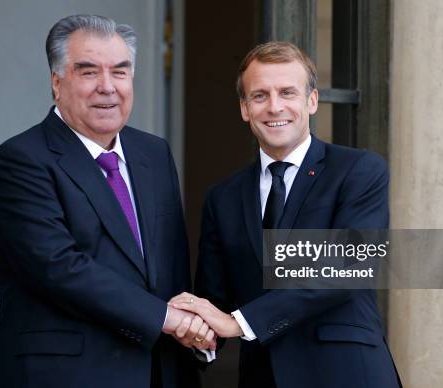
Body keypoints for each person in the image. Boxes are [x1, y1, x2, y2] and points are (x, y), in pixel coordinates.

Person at [0, 15, 212, 388]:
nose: (108, 87)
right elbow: (58, 267)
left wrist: (197, 329)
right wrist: (168, 319)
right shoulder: (21, 159)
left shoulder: (153, 153)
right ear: (57, 83)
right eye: (88, 72)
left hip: (159, 372)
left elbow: (171, 265)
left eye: (120, 72)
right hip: (63, 376)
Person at [169, 42, 401, 387]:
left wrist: (240, 322)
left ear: (312, 101)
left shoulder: (358, 170)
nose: (274, 106)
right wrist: (196, 328)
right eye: (259, 96)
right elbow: (213, 299)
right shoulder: (223, 198)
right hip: (264, 377)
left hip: (347, 372)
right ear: (245, 109)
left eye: (287, 92)